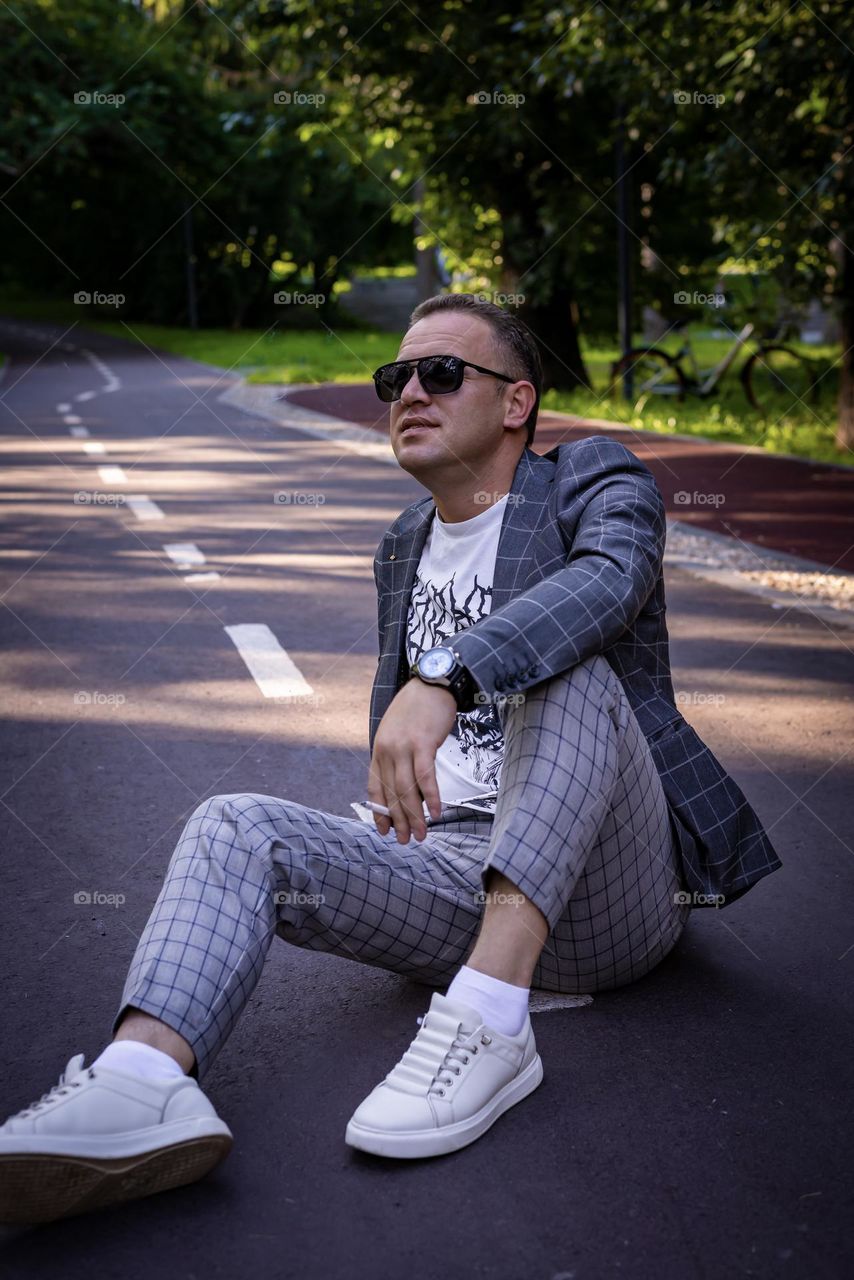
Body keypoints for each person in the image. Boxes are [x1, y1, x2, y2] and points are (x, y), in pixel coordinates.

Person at [0, 294, 781, 1223]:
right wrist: (383, 818)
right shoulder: (403, 544)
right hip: (455, 874)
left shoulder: (593, 480)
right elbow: (419, 739)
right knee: (234, 824)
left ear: (517, 401)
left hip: (608, 892)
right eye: (394, 377)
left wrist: (451, 677)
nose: (409, 391)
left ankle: (490, 1023)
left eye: (442, 373)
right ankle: (139, 1087)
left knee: (567, 674)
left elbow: (607, 585)